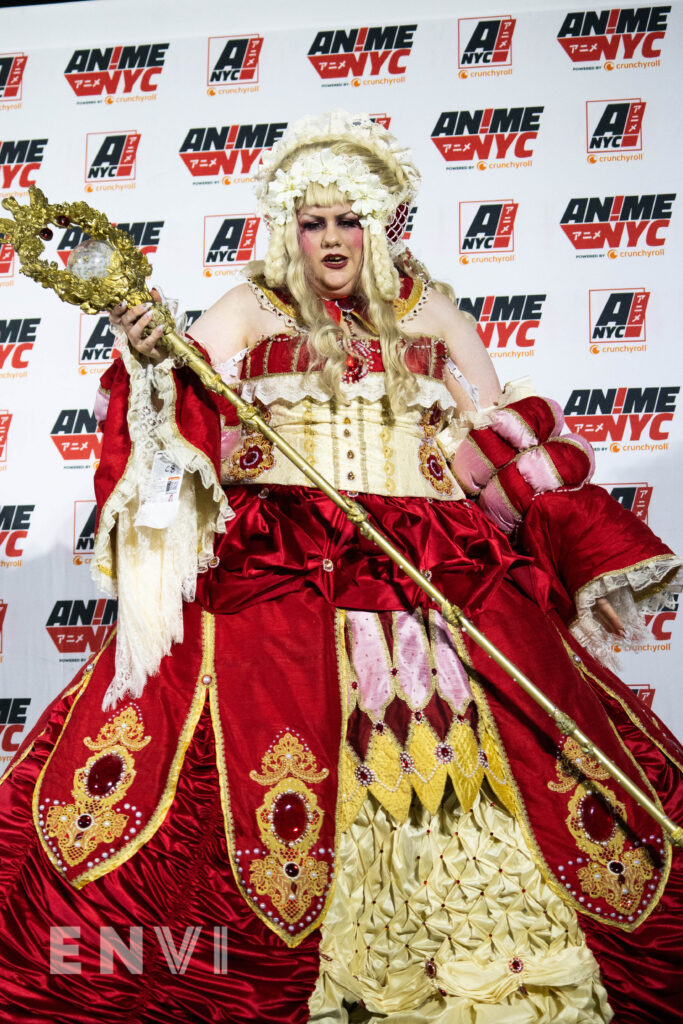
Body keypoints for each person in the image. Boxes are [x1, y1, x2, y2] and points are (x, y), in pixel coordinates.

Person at [0, 111, 681, 1024]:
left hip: (436, 562)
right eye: (312, 221)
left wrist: (574, 532)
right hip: (282, 560)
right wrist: (153, 357)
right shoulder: (249, 305)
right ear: (290, 228)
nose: (330, 239)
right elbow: (179, 423)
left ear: (383, 222)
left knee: (518, 751)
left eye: (348, 219)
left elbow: (499, 438)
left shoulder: (433, 308)